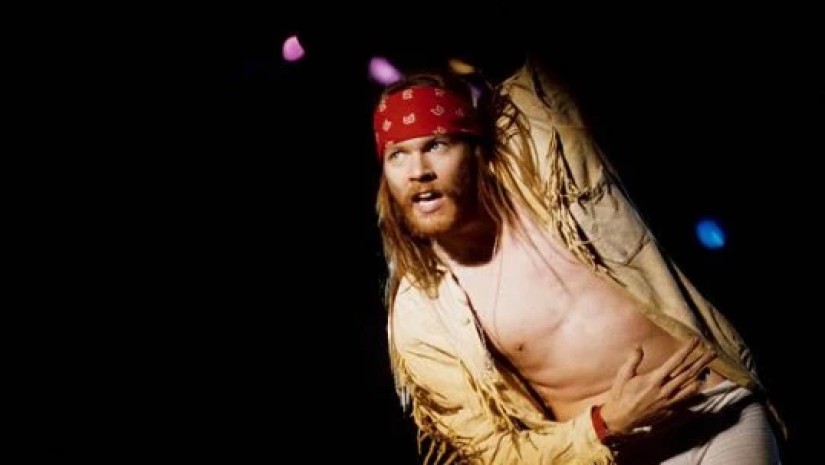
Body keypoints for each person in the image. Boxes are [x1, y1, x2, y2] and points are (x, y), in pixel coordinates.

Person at [371, 54, 786, 464]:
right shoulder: (421, 311)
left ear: (476, 151)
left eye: (437, 145)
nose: (418, 170)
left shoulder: (549, 176)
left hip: (715, 412)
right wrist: (606, 424)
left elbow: (534, 73)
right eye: (397, 155)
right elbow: (492, 451)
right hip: (614, 453)